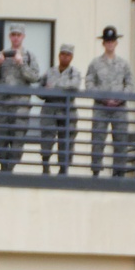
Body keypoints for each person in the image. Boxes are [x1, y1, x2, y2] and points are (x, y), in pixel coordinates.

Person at [0, 24, 40, 172]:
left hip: (20, 107)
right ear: (9, 36)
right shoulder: (0, 55)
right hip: (1, 106)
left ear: (23, 37)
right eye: (13, 35)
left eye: (18, 35)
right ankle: (4, 169)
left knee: (18, 142)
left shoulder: (28, 56)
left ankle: (8, 170)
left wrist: (21, 63)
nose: (16, 37)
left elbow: (35, 77)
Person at [86, 27, 134, 177]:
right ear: (103, 43)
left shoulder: (124, 64)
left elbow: (130, 84)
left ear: (116, 43)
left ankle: (119, 174)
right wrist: (103, 98)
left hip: (119, 107)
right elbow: (89, 84)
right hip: (101, 106)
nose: (110, 44)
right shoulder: (95, 63)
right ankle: (96, 173)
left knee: (121, 140)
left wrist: (119, 98)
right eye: (107, 41)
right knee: (98, 140)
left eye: (112, 41)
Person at [39, 43, 81, 174]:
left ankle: (63, 169)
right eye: (63, 54)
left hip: (67, 108)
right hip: (50, 108)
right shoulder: (50, 71)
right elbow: (39, 90)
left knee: (66, 139)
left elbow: (74, 86)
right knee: (47, 137)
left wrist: (53, 87)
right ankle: (45, 165)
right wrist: (50, 90)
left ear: (72, 57)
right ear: (59, 55)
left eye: (68, 55)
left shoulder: (74, 72)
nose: (65, 57)